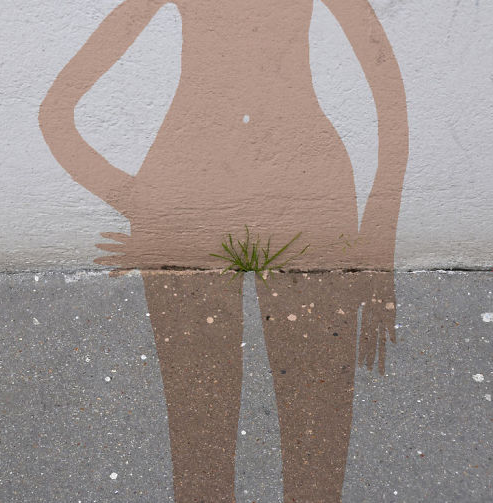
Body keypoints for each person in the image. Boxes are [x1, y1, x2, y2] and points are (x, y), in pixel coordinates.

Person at [40, 0, 408, 500]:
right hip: (286, 202)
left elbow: (390, 99)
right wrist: (145, 205)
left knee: (288, 441)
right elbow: (56, 114)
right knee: (228, 445)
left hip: (292, 207)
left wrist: (149, 207)